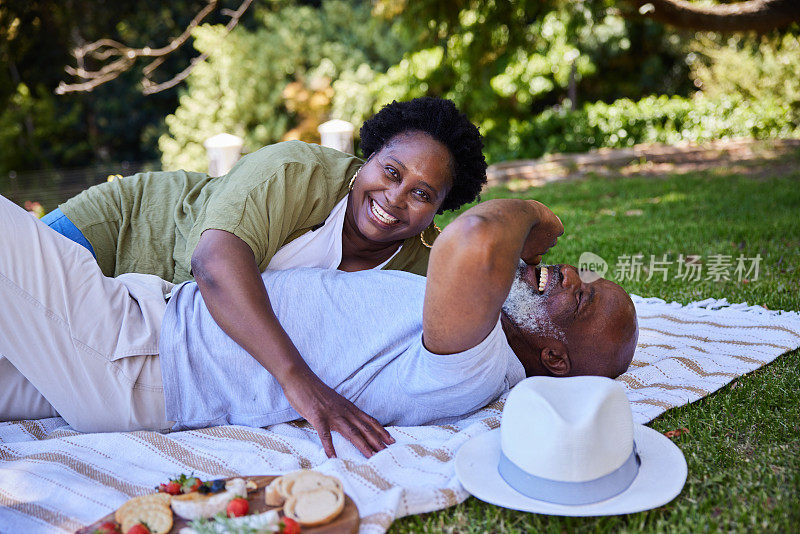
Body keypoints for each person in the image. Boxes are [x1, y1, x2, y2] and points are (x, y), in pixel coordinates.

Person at [0, 193, 638, 457]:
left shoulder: (476, 362)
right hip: (138, 348)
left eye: (578, 298)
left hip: (134, 354)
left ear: (555, 362)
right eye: (575, 273)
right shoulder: (475, 335)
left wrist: (536, 217)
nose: (562, 273)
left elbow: (472, 237)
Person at [38, 97, 488, 456]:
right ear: (368, 158)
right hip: (118, 235)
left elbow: (496, 291)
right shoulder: (297, 172)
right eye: (391, 171)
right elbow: (213, 265)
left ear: (439, 209)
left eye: (422, 194)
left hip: (139, 328)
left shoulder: (425, 258)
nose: (394, 197)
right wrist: (301, 384)